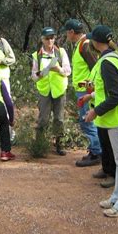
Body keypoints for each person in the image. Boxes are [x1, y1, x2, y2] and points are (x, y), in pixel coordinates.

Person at [84, 25, 118, 218]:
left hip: (117, 119)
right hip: (117, 118)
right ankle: (117, 197)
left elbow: (115, 97)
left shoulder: (107, 62)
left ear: (96, 43)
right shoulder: (115, 57)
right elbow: (112, 90)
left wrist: (94, 112)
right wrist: (91, 97)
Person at [62, 19, 102, 167]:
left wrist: (91, 90)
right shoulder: (81, 44)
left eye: (67, 32)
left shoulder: (84, 46)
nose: (66, 35)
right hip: (83, 90)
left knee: (88, 121)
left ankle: (96, 153)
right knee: (88, 121)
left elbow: (95, 69)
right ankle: (95, 151)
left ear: (72, 32)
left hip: (86, 91)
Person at [31, 27, 71, 156]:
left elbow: (68, 71)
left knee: (59, 119)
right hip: (44, 91)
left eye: (52, 38)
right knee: (43, 119)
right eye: (47, 38)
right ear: (42, 39)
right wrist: (40, 75)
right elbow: (33, 76)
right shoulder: (37, 55)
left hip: (59, 90)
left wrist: (58, 69)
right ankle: (39, 145)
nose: (50, 40)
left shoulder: (61, 52)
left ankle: (59, 145)